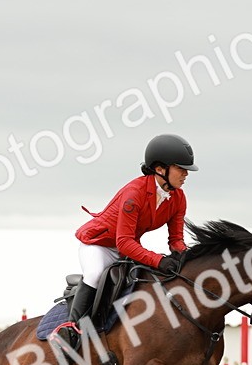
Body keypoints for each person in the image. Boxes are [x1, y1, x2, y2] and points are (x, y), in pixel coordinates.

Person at [55, 133, 198, 350]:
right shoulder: (134, 194)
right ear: (160, 169)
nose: (186, 173)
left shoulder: (178, 197)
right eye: (181, 168)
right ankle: (71, 329)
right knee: (95, 274)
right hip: (99, 244)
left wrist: (186, 258)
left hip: (127, 249)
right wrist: (159, 260)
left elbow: (176, 240)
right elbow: (124, 242)